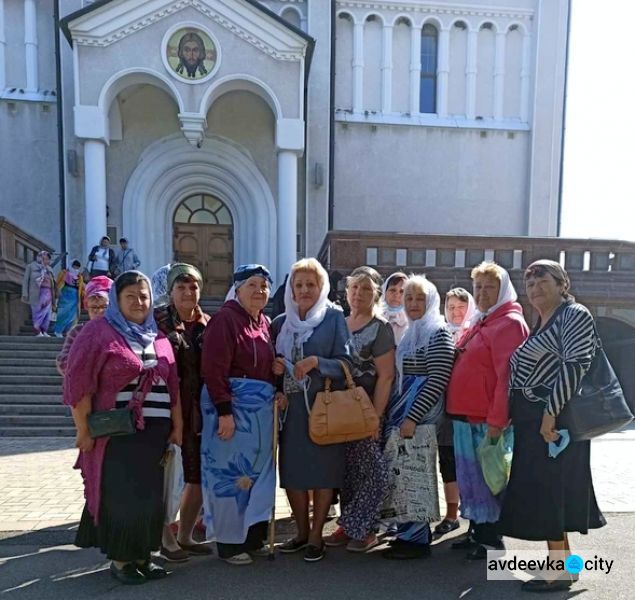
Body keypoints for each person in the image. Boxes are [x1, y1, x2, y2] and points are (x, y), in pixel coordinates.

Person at [63, 271, 183, 585]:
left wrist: (177, 427)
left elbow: (172, 386)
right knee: (123, 496)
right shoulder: (99, 333)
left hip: (154, 434)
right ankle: (122, 560)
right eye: (130, 296)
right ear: (117, 299)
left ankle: (143, 556)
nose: (139, 302)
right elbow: (79, 383)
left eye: (143, 296)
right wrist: (82, 429)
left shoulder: (157, 336)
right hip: (117, 434)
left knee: (148, 496)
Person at [499, 260, 606, 593]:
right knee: (552, 493)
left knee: (550, 493)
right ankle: (569, 567)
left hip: (554, 421)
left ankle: (559, 570)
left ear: (563, 284)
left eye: (542, 281)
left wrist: (550, 415)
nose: (534, 288)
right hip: (536, 418)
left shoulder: (574, 315)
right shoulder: (543, 321)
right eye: (529, 284)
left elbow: (575, 365)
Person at [446, 262, 529, 560]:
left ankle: (492, 539)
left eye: (488, 287)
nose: (481, 293)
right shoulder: (479, 322)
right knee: (471, 480)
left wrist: (497, 420)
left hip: (486, 419)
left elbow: (508, 377)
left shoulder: (509, 323)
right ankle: (476, 531)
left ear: (502, 290)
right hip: (464, 416)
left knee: (489, 479)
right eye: (478, 287)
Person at [271, 258, 351, 563]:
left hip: (323, 408)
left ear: (322, 287)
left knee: (322, 473)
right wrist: (277, 375)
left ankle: (317, 535)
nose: (304, 290)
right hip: (290, 412)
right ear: (291, 288)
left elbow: (348, 364)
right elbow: (274, 369)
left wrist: (318, 363)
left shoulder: (333, 318)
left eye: (310, 284)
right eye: (298, 284)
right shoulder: (281, 322)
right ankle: (301, 532)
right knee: (292, 474)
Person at [200, 264, 278, 566]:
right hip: (233, 412)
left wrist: (277, 372)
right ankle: (230, 544)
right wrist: (224, 411)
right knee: (231, 477)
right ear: (238, 289)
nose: (259, 290)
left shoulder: (263, 322)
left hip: (258, 418)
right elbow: (214, 368)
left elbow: (263, 363)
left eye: (264, 285)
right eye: (252, 285)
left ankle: (253, 537)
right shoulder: (225, 320)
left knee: (256, 476)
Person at [381, 275, 455, 560]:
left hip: (420, 418)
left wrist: (412, 417)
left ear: (431, 301)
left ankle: (417, 540)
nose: (412, 303)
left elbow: (437, 380)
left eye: (419, 298)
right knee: (402, 476)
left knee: (416, 478)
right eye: (409, 298)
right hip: (404, 416)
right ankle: (405, 533)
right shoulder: (413, 332)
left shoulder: (438, 332)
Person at [324, 267, 393, 552]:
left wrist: (375, 417)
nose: (358, 294)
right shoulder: (340, 321)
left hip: (365, 411)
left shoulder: (381, 327)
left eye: (366, 289)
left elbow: (386, 376)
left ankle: (366, 529)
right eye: (354, 288)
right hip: (340, 410)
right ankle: (349, 524)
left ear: (375, 294)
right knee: (347, 472)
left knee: (372, 473)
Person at [155, 263, 211, 561]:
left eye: (193, 287)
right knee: (168, 474)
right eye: (181, 287)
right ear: (171, 291)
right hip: (166, 407)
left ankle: (186, 534)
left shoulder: (207, 323)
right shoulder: (158, 321)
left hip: (200, 409)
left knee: (198, 474)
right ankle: (166, 537)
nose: (188, 292)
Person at [434, 287, 476, 537]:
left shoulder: (474, 332)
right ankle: (451, 514)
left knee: (469, 465)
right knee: (448, 462)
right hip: (444, 410)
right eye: (450, 307)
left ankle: (473, 515)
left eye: (461, 307)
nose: (456, 312)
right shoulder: (440, 333)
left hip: (469, 412)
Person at [56, 276, 112, 376]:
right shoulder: (77, 332)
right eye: (94, 307)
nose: (99, 311)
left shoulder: (121, 331)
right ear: (87, 307)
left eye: (104, 307)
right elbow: (63, 363)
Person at [21, 250, 57, 336]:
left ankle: (44, 331)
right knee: (37, 312)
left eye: (48, 259)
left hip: (48, 293)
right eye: (45, 258)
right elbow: (26, 281)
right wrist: (25, 293)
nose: (47, 261)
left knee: (47, 314)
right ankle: (37, 331)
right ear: (40, 258)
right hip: (36, 293)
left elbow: (54, 282)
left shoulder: (49, 269)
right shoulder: (31, 267)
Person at [53, 260, 85, 338]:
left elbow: (82, 288)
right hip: (64, 295)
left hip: (74, 297)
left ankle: (69, 332)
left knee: (72, 315)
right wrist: (57, 292)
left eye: (77, 267)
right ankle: (58, 331)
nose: (76, 269)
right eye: (74, 267)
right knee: (62, 314)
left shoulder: (79, 276)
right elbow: (58, 283)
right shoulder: (64, 273)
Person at [380, 272, 408, 344]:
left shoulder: (411, 322)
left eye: (401, 291)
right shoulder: (374, 318)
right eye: (392, 290)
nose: (396, 295)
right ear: (384, 292)